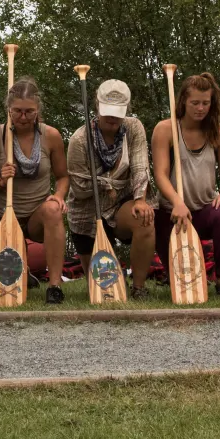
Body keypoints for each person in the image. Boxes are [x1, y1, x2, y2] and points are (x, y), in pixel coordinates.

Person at [0, 77, 69, 304]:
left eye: (30, 112)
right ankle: (25, 275)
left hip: (38, 215)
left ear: (38, 110)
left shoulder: (51, 136)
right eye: (17, 111)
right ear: (8, 109)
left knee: (54, 210)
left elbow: (63, 177)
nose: (23, 117)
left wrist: (58, 196)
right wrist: (0, 181)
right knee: (10, 281)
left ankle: (54, 286)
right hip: (5, 216)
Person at [152, 72, 220, 298]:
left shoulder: (219, 132)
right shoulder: (165, 129)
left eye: (205, 103)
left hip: (203, 209)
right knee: (182, 281)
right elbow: (160, 175)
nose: (201, 108)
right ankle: (172, 274)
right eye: (195, 103)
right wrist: (177, 203)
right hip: (171, 213)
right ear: (183, 101)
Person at [66, 79, 156, 299]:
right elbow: (79, 188)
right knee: (102, 287)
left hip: (122, 202)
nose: (112, 117)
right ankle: (112, 279)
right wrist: (108, 184)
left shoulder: (134, 128)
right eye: (107, 111)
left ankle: (139, 288)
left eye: (118, 112)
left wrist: (140, 200)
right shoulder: (79, 139)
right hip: (87, 209)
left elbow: (140, 165)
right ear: (97, 107)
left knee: (145, 219)